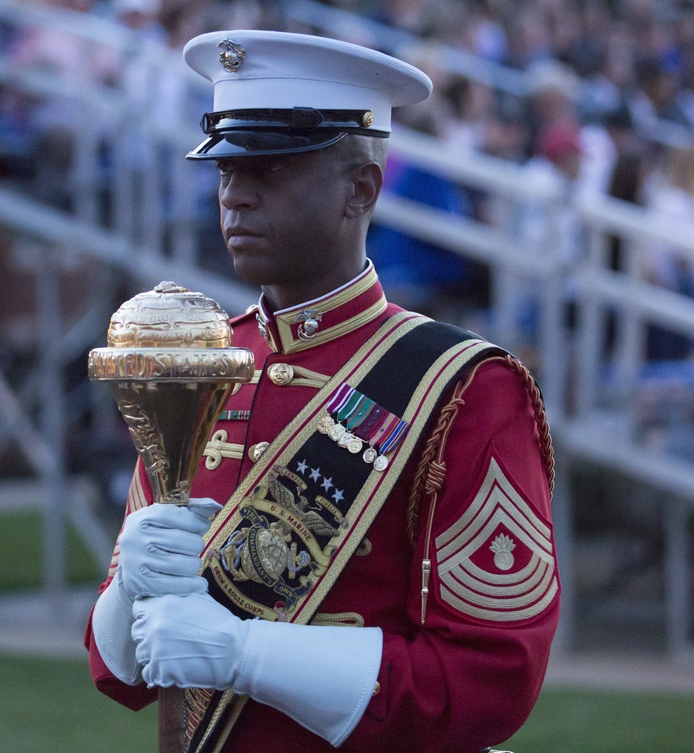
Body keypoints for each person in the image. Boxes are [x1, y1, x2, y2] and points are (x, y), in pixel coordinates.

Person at [85, 30, 560, 753]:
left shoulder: (463, 388)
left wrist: (245, 653)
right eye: (225, 170)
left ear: (360, 188)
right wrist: (126, 597)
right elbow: (119, 674)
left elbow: (492, 679)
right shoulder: (199, 362)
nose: (234, 194)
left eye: (268, 169)